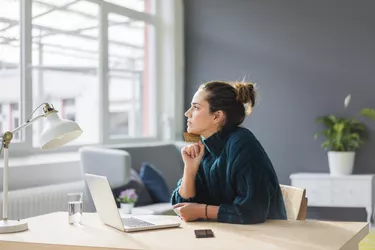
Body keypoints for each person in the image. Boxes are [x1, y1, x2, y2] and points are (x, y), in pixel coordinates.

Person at [171, 80, 287, 224]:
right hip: (227, 235)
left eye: (196, 107)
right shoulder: (203, 148)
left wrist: (201, 210)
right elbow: (182, 207)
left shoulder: (242, 143)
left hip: (266, 237)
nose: (187, 113)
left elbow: (253, 211)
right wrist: (190, 169)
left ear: (217, 116)